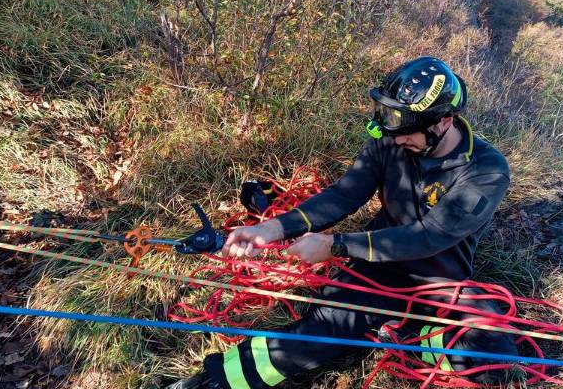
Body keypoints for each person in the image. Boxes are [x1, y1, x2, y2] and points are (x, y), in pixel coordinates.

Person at [167, 57, 517, 389]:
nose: (394, 140)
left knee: (496, 358)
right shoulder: (391, 141)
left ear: (443, 122)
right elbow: (344, 196)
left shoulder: (487, 170)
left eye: (406, 132)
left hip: (442, 281)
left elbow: (430, 236)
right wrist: (270, 229)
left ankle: (409, 335)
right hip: (376, 270)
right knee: (315, 336)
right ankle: (214, 380)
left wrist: (335, 245)